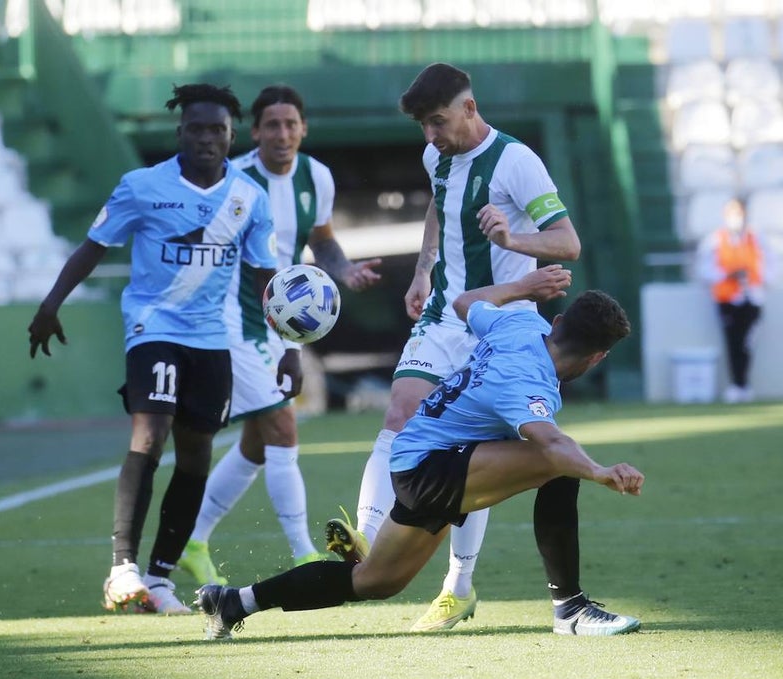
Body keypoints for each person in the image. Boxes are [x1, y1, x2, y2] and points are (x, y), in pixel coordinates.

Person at [327, 62, 636, 634]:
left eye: (438, 121)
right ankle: (367, 534)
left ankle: (458, 586)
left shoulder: (517, 162)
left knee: (471, 446)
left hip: (501, 316)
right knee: (401, 409)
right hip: (448, 310)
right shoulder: (435, 154)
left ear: (469, 108)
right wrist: (423, 271)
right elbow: (438, 208)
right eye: (423, 125)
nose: (431, 136)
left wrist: (513, 239)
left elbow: (567, 243)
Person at [197, 282, 644, 640]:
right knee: (557, 462)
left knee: (375, 581)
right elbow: (550, 443)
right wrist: (599, 471)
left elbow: (468, 301)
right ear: (599, 357)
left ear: (559, 321)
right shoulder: (530, 382)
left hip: (417, 458)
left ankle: (234, 602)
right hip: (432, 466)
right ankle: (570, 608)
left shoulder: (520, 327)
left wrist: (523, 286)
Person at [27, 84, 281, 615]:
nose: (207, 138)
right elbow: (92, 248)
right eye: (197, 128)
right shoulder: (141, 187)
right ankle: (122, 568)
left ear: (232, 136)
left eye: (217, 130)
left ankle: (160, 579)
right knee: (150, 433)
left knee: (195, 455)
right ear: (180, 132)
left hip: (212, 339)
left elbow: (266, 277)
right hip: (153, 327)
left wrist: (291, 342)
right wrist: (51, 304)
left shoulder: (250, 198)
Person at [178, 84, 383, 585]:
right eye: (272, 124)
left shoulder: (317, 176)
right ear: (254, 132)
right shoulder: (236, 179)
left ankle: (192, 540)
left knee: (257, 441)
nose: (283, 133)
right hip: (233, 320)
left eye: (292, 124)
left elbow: (323, 243)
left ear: (304, 128)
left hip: (277, 323)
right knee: (283, 426)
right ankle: (304, 553)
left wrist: (346, 271)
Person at [695, 198, 768, 404]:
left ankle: (742, 383)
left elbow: (768, 266)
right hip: (727, 299)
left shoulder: (756, 238)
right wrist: (728, 275)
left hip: (752, 298)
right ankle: (738, 384)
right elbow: (704, 270)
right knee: (733, 342)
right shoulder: (715, 240)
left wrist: (757, 282)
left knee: (747, 343)